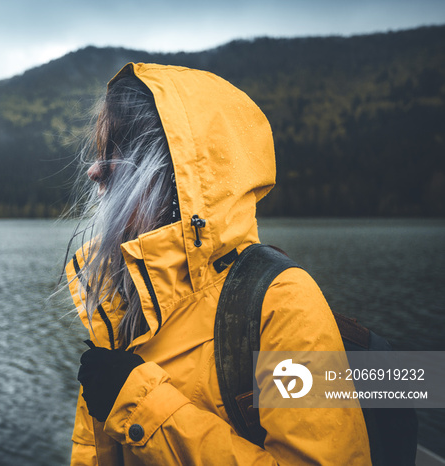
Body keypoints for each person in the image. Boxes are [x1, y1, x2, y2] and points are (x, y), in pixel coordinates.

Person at [63, 63, 371, 465]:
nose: (94, 170)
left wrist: (142, 408)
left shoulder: (283, 302)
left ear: (177, 173)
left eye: (119, 149)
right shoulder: (120, 301)